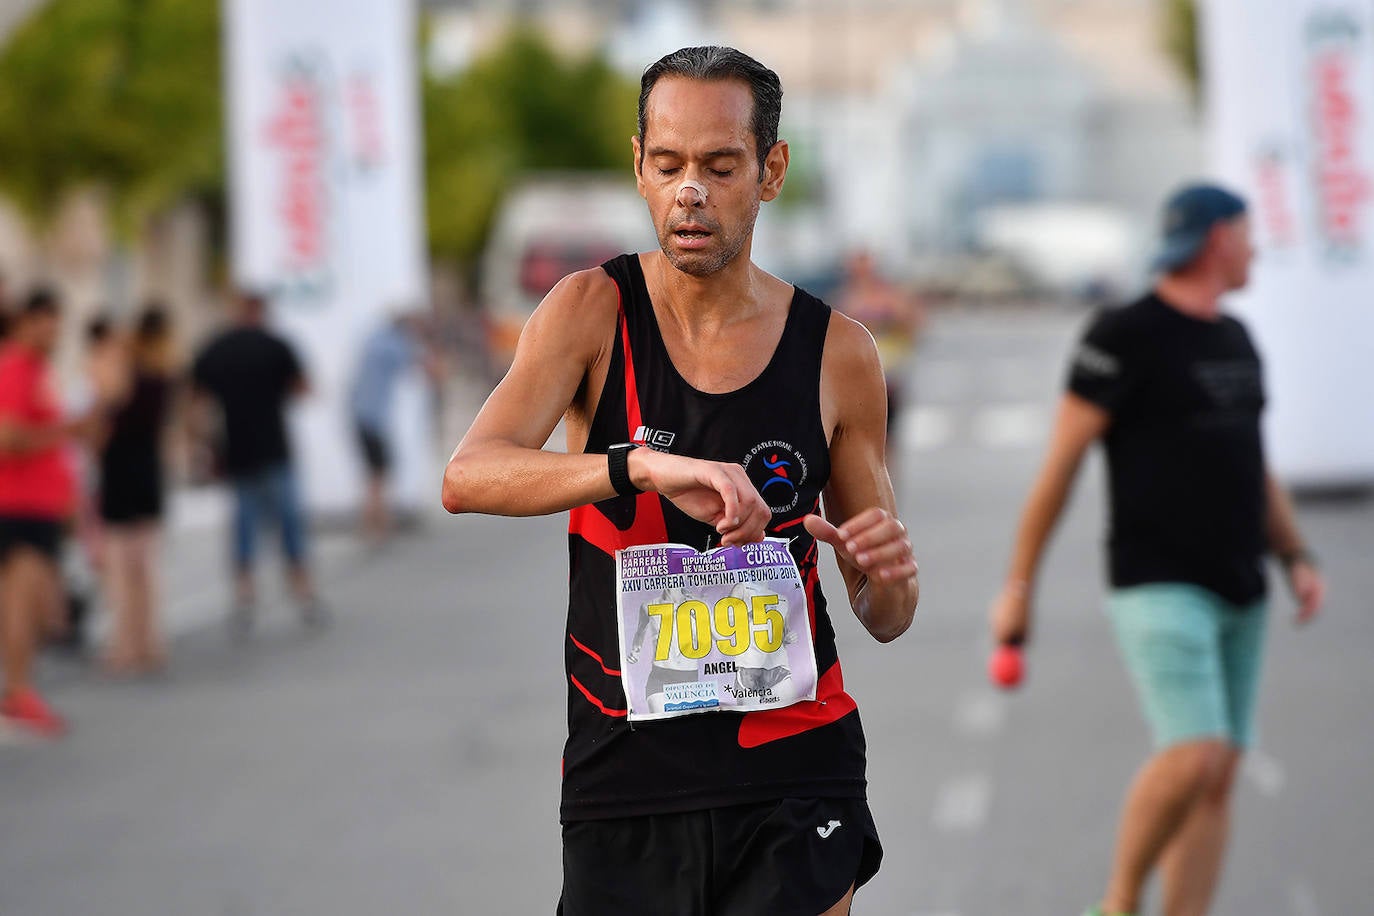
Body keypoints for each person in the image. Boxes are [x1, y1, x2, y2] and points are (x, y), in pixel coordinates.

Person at [442, 46, 919, 916]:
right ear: (638, 165)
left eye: (719, 165)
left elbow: (885, 615)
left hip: (794, 761)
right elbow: (468, 475)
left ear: (771, 171)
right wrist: (639, 467)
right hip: (626, 771)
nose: (688, 191)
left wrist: (885, 574)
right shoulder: (592, 311)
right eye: (666, 165)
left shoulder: (838, 352)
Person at [987, 183, 1327, 916]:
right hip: (1157, 579)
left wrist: (1295, 555)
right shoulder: (1123, 335)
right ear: (1215, 241)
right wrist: (1018, 588)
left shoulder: (1236, 339)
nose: (1255, 247)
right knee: (1195, 749)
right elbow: (1061, 468)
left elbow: (1254, 463)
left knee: (1220, 772)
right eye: (1246, 232)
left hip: (1242, 581)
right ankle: (1117, 903)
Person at [191, 290, 323, 634]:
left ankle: (245, 596)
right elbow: (305, 387)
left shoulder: (219, 348)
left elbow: (195, 395)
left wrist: (201, 443)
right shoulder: (276, 345)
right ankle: (303, 591)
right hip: (275, 449)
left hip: (237, 452)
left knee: (244, 529)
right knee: (290, 525)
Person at [0, 290, 94, 736]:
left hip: (38, 505)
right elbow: (9, 437)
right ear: (24, 322)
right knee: (24, 604)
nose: (52, 332)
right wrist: (67, 430)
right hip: (16, 505)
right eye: (44, 322)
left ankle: (20, 689)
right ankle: (19, 692)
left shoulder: (38, 370)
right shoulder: (15, 367)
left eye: (56, 323)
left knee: (35, 606)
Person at [97, 305, 177, 674]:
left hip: (120, 472)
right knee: (145, 563)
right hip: (147, 471)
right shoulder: (164, 373)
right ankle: (149, 640)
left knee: (120, 564)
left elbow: (103, 422)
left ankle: (126, 644)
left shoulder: (126, 373)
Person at [349, 309, 440, 545]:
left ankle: (375, 521)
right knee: (380, 472)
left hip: (360, 412)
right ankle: (377, 524)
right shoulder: (394, 344)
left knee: (375, 471)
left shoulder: (376, 339)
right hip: (373, 416)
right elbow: (424, 366)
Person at [833, 250, 925, 445]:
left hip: (887, 373)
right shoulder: (846, 298)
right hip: (854, 375)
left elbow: (912, 323)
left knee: (885, 434)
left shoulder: (890, 296)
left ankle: (886, 474)